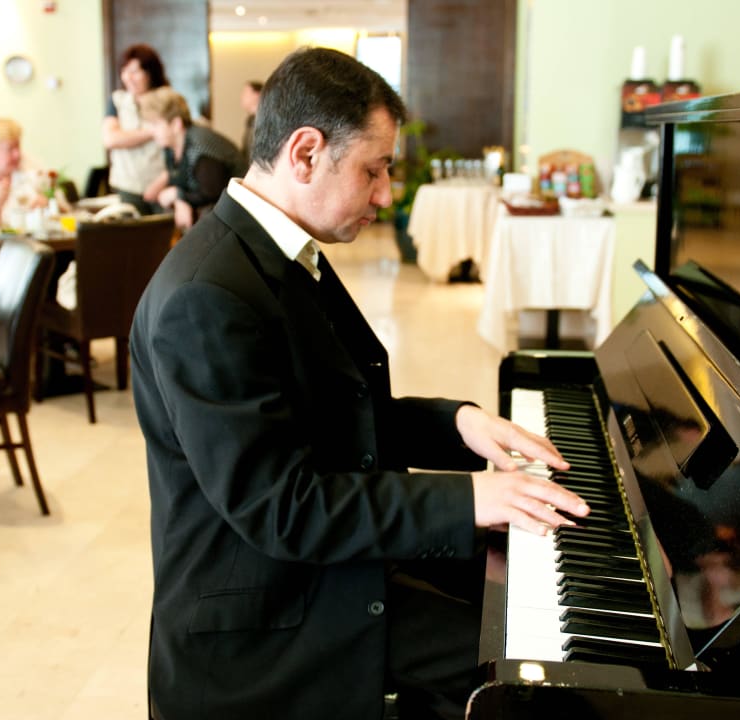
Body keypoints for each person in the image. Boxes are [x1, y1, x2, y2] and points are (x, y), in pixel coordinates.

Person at [130, 47, 590, 720]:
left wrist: (460, 423)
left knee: (522, 589)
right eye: (374, 170)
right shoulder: (207, 297)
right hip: (269, 617)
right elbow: (285, 509)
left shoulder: (282, 250)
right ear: (306, 153)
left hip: (316, 567)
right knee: (545, 682)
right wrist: (471, 499)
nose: (385, 194)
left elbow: (338, 416)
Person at [140, 86, 246, 230]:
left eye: (156, 124)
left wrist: (178, 195)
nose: (151, 131)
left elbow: (213, 192)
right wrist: (180, 200)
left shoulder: (200, 146)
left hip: (235, 216)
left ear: (176, 124)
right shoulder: (171, 149)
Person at [103, 43, 170, 215]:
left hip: (161, 185)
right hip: (127, 186)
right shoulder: (118, 100)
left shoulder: (167, 99)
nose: (128, 77)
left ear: (150, 73)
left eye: (135, 72)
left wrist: (161, 182)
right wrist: (152, 131)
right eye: (125, 71)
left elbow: (178, 147)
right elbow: (111, 139)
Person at [239, 79, 262, 165]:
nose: (242, 97)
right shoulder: (250, 121)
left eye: (246, 93)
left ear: (257, 95)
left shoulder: (263, 122)